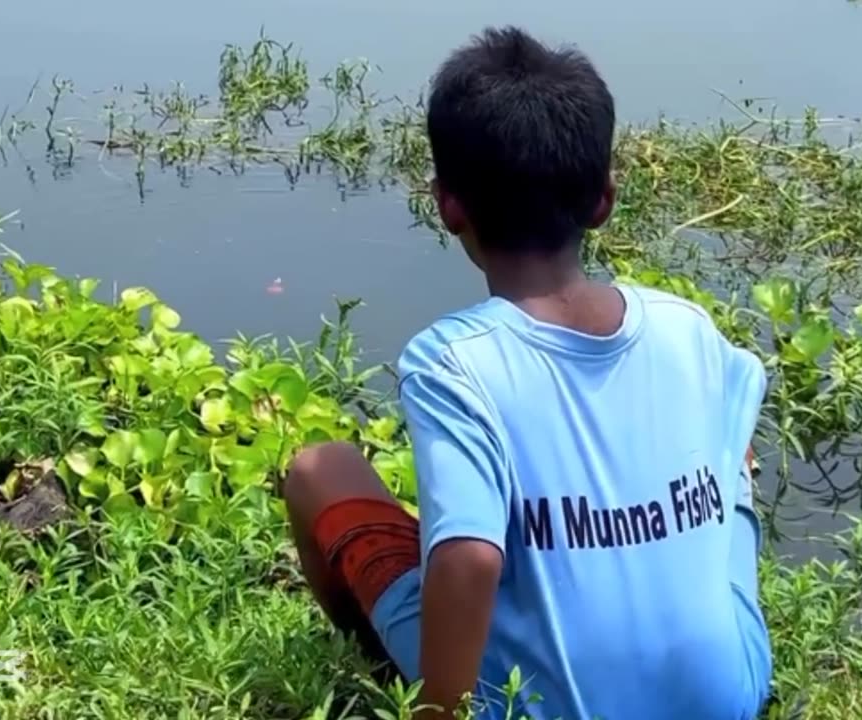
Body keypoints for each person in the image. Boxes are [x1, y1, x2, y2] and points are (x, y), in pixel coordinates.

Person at [283, 25, 772, 720]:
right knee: (732, 449)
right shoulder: (683, 325)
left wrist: (442, 713)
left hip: (534, 707)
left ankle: (387, 663)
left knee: (320, 470)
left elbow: (472, 560)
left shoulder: (454, 360)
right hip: (731, 696)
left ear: (447, 205)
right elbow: (739, 423)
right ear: (603, 199)